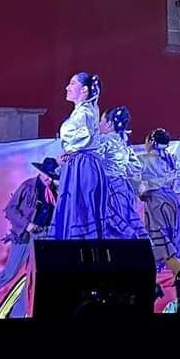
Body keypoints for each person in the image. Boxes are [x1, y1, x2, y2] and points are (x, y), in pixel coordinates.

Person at [0, 157, 60, 312]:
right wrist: (26, 224)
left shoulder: (53, 193)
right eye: (46, 175)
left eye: (51, 177)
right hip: (25, 236)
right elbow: (10, 209)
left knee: (34, 275)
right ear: (40, 172)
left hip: (43, 236)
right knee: (11, 271)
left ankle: (21, 310)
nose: (48, 179)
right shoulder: (28, 187)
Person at [140, 128, 180, 311]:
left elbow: (136, 182)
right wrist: (173, 187)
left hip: (156, 202)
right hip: (175, 202)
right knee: (174, 248)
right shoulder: (172, 159)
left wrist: (143, 192)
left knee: (165, 250)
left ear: (151, 141)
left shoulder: (144, 160)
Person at [52, 72, 108, 239]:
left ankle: (80, 248)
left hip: (83, 166)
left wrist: (71, 150)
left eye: (72, 83)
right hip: (79, 162)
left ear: (84, 90)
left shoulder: (85, 112)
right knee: (76, 206)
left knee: (80, 207)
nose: (67, 87)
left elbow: (85, 137)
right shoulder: (83, 111)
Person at [99, 106, 148, 240]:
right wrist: (121, 169)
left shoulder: (104, 141)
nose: (99, 124)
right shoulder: (124, 143)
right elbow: (136, 166)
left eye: (101, 121)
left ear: (109, 124)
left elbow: (88, 161)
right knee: (125, 220)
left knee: (111, 226)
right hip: (123, 189)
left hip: (108, 189)